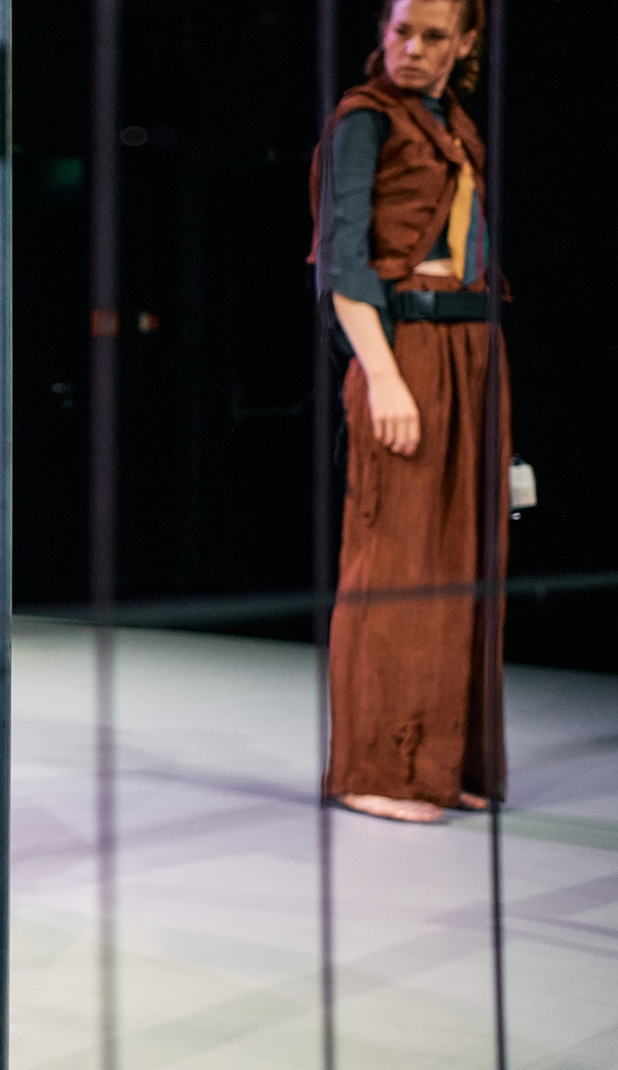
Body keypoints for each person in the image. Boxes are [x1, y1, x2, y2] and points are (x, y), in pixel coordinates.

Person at [310, 0, 507, 824]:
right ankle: (375, 770)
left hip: (470, 353)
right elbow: (342, 255)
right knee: (394, 559)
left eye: (433, 36)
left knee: (465, 560)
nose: (413, 49)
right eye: (401, 31)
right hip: (407, 352)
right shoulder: (365, 119)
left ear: (464, 43)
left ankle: (440, 761)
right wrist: (383, 375)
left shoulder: (451, 121)